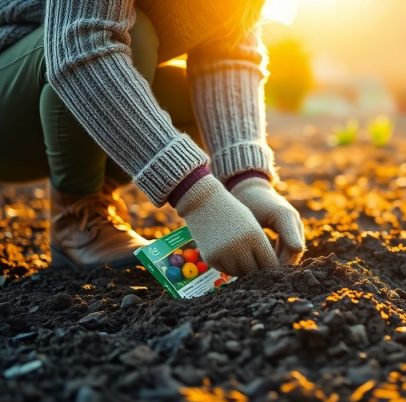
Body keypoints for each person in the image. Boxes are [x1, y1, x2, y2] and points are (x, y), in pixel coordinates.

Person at [0, 0, 305, 276]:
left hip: (53, 111)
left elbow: (229, 48)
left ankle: (98, 188)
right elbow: (80, 44)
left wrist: (248, 182)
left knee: (195, 101)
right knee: (136, 34)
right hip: (13, 98)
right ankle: (76, 217)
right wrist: (198, 197)